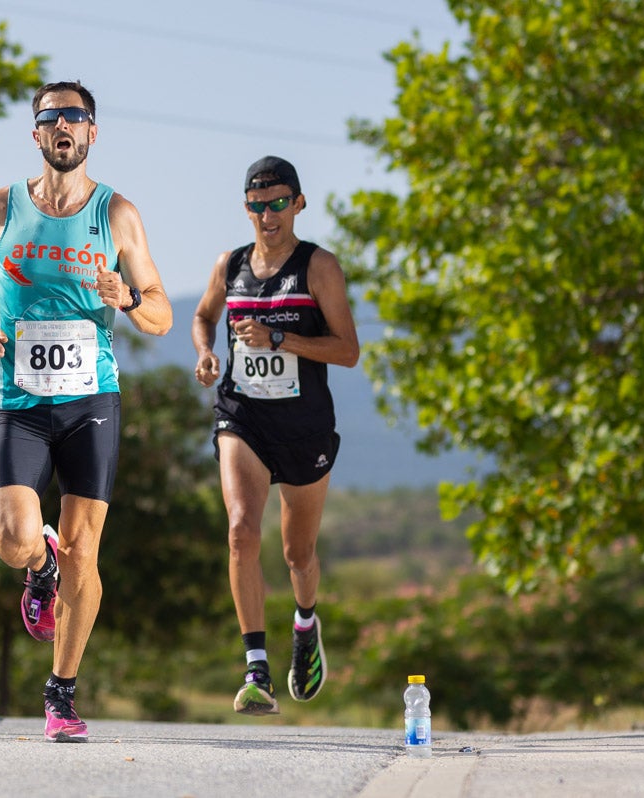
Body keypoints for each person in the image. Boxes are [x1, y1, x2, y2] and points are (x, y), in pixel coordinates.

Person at [0, 80, 172, 743]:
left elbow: (161, 315)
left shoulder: (118, 214)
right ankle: (37, 565)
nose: (64, 127)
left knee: (86, 554)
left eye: (75, 117)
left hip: (89, 400)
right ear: (37, 133)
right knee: (11, 538)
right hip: (17, 400)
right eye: (51, 118)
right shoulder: (4, 206)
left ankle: (61, 693)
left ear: (93, 133)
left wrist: (130, 298)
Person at [191, 155, 359, 716]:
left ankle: (306, 624)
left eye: (279, 204)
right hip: (243, 416)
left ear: (299, 203)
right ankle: (255, 669)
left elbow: (348, 351)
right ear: (247, 208)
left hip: (304, 425)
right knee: (241, 530)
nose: (269, 215)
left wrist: (280, 340)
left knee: (297, 552)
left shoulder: (319, 267)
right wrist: (207, 353)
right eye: (259, 206)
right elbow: (203, 316)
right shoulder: (229, 264)